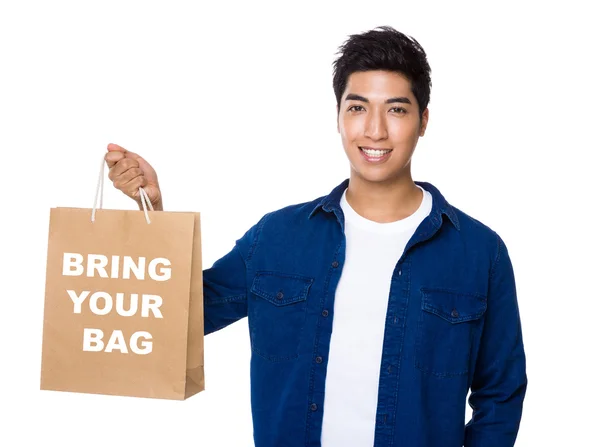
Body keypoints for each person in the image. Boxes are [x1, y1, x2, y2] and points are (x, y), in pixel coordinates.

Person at [105, 26, 527, 447]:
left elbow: (500, 394)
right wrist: (152, 212)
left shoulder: (478, 252)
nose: (375, 131)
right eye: (357, 108)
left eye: (396, 110)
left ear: (423, 120)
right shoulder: (277, 238)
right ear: (339, 117)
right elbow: (183, 314)